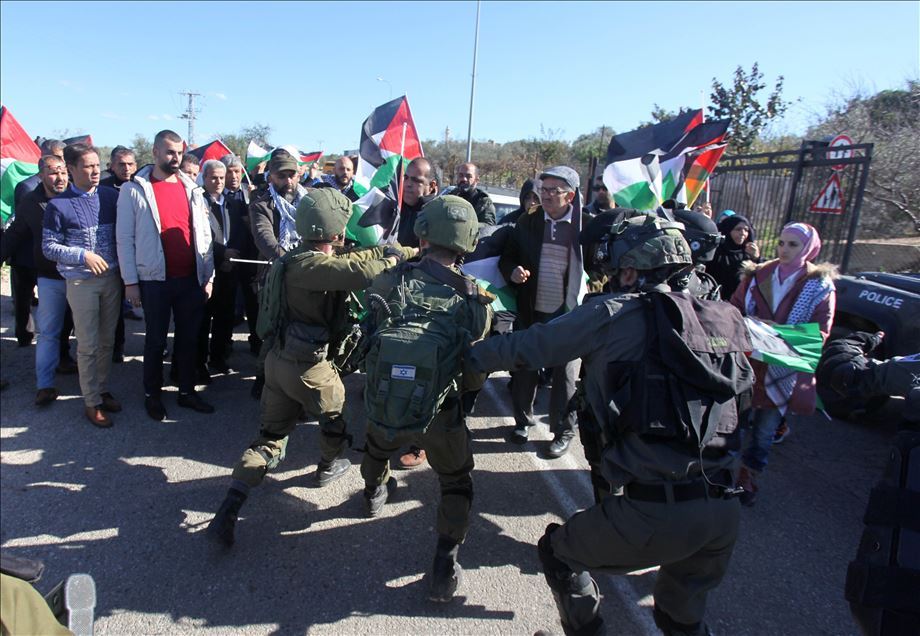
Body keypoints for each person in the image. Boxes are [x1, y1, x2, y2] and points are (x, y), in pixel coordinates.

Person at [469, 213, 754, 636]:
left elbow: (532, 346)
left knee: (557, 552)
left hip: (654, 511)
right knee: (680, 616)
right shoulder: (724, 317)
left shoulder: (613, 313)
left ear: (628, 268)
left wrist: (466, 355)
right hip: (722, 509)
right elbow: (746, 402)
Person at [207, 189, 415, 548]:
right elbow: (361, 269)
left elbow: (358, 256)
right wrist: (396, 256)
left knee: (270, 440)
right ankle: (336, 468)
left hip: (277, 364)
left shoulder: (296, 258)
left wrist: (404, 249)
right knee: (335, 420)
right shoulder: (314, 268)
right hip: (310, 369)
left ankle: (230, 505)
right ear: (335, 231)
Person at [359, 195, 492, 602]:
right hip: (440, 410)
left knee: (376, 447)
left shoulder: (388, 281)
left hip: (385, 400)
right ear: (467, 239)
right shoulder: (476, 299)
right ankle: (444, 559)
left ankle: (373, 492)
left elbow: (367, 339)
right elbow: (474, 371)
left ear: (423, 231)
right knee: (455, 479)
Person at [729, 221, 836, 505]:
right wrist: (752, 325)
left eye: (793, 244)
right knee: (732, 421)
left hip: (782, 370)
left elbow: (820, 331)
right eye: (781, 243)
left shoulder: (819, 285)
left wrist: (777, 333)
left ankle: (747, 479)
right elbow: (734, 308)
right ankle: (718, 472)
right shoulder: (758, 274)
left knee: (764, 431)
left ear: (808, 248)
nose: (785, 249)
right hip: (748, 362)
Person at [116, 129, 216, 421]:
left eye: (179, 152)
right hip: (154, 280)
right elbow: (124, 239)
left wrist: (208, 277)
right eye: (170, 152)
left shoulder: (192, 189)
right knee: (156, 341)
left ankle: (186, 391)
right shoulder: (134, 189)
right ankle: (152, 394)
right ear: (155, 152)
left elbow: (204, 235)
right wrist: (130, 282)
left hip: (190, 279)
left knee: (187, 339)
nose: (175, 157)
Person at [498, 166, 585, 455]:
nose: (544, 196)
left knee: (566, 376)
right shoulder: (529, 220)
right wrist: (513, 271)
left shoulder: (585, 226)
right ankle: (522, 421)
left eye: (553, 191)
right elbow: (507, 257)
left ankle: (563, 431)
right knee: (525, 369)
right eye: (542, 189)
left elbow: (600, 267)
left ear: (570, 196)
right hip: (532, 309)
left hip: (570, 315)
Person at [42, 143, 122, 428]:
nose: (94, 171)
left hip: (112, 280)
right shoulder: (57, 205)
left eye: (96, 165)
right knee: (87, 344)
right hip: (81, 282)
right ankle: (91, 402)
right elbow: (48, 247)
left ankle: (101, 389)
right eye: (86, 166)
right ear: (72, 169)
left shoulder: (112, 197)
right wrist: (82, 255)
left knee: (107, 341)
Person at [0, 154, 77, 406]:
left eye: (63, 171)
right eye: (53, 172)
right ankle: (44, 385)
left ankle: (88, 384)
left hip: (81, 279)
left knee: (82, 331)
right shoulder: (31, 202)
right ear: (41, 175)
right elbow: (15, 234)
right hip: (49, 278)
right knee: (48, 332)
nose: (60, 177)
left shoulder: (79, 197)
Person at [197, 160, 247, 375]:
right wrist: (221, 254)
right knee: (202, 321)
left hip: (230, 268)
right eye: (213, 177)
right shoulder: (198, 202)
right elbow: (200, 237)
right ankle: (199, 364)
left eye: (221, 177)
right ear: (205, 178)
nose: (218, 181)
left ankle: (218, 358)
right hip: (208, 269)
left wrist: (231, 255)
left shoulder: (233, 203)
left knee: (224, 317)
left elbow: (238, 233)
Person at [220, 154, 261, 355]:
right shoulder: (217, 195)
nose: (234, 176)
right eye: (229, 172)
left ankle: (255, 342)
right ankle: (224, 345)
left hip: (250, 258)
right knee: (225, 306)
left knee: (253, 305)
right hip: (227, 259)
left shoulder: (250, 192)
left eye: (237, 171)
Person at [708, 214, 760, 301]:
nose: (743, 233)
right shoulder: (716, 252)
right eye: (738, 229)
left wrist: (757, 258)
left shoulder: (748, 253)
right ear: (728, 230)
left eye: (746, 230)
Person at [395, 157, 438, 248]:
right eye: (406, 178)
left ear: (431, 185)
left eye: (416, 180)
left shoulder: (438, 215)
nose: (408, 184)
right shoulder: (395, 208)